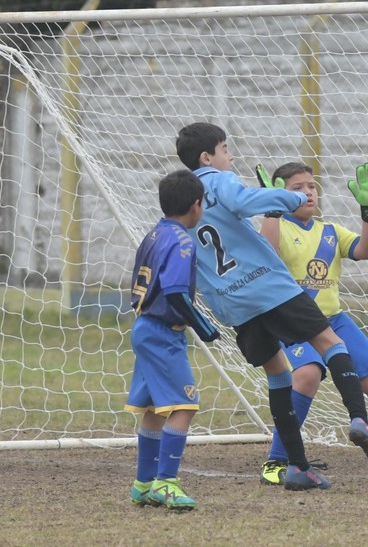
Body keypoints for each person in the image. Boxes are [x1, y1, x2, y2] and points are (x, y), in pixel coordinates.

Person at [176, 122, 368, 491]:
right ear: (206, 157)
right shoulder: (216, 179)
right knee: (330, 342)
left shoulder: (183, 202)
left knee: (279, 375)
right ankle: (360, 419)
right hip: (268, 286)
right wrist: (288, 199)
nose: (231, 156)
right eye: (226, 148)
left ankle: (297, 466)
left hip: (233, 306)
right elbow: (245, 201)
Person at [255, 161, 368, 486]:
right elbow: (267, 254)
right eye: (297, 188)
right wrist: (271, 210)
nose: (308, 192)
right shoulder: (276, 227)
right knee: (307, 376)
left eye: (311, 186)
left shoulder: (330, 232)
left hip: (334, 321)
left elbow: (367, 250)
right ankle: (277, 460)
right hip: (291, 323)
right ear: (279, 195)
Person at [127, 169, 221, 511]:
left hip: (145, 326)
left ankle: (143, 484)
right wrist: (204, 326)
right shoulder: (182, 240)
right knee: (184, 406)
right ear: (196, 205)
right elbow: (177, 292)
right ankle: (166, 483)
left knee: (154, 409)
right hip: (163, 332)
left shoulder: (154, 233)